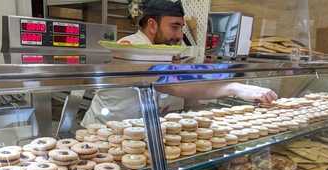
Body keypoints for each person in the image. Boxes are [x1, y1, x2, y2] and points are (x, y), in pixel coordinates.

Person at [81, 0, 277, 126]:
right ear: (152, 24)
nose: (179, 36)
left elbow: (175, 78)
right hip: (104, 131)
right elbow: (172, 84)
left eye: (181, 28)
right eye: (174, 27)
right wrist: (235, 88)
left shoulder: (160, 50)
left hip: (132, 129)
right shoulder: (132, 47)